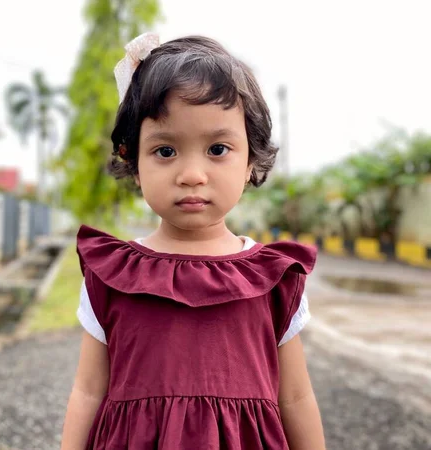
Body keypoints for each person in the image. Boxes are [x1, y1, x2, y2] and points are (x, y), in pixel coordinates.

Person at [60, 32, 326, 450]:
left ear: (251, 159)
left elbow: (294, 396)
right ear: (132, 160)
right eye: (165, 151)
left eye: (217, 149)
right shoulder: (110, 275)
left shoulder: (275, 279)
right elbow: (89, 391)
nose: (192, 174)